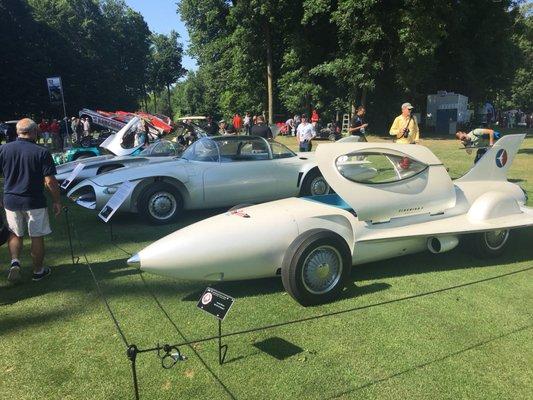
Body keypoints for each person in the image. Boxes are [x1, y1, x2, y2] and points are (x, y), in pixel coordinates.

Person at [0, 118, 61, 283]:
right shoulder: (41, 151)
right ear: (34, 132)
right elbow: (50, 181)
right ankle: (38, 271)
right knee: (36, 236)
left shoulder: (3, 149)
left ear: (18, 132)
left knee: (14, 232)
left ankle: (15, 262)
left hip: (11, 200)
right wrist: (57, 200)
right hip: (34, 201)